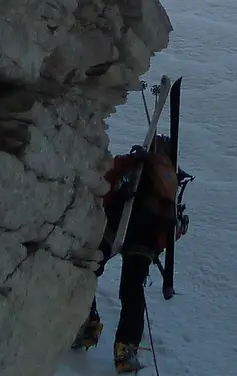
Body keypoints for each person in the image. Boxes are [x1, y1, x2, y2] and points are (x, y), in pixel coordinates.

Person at [75, 136, 187, 373]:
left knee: (90, 268)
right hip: (146, 239)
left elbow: (110, 183)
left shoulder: (136, 163)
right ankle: (125, 350)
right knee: (132, 289)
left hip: (116, 225)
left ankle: (86, 322)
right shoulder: (170, 181)